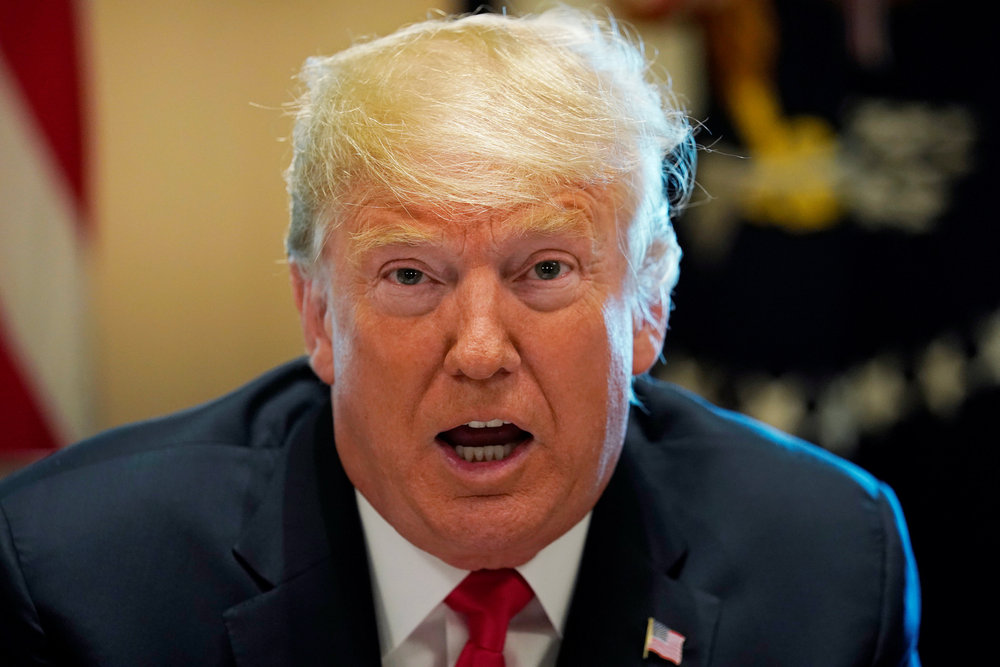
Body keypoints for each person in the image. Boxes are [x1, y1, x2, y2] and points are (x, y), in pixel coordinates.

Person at [0, 8, 919, 666]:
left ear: (647, 308)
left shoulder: (829, 564)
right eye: (410, 275)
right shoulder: (80, 578)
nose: (479, 350)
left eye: (545, 271)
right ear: (319, 315)